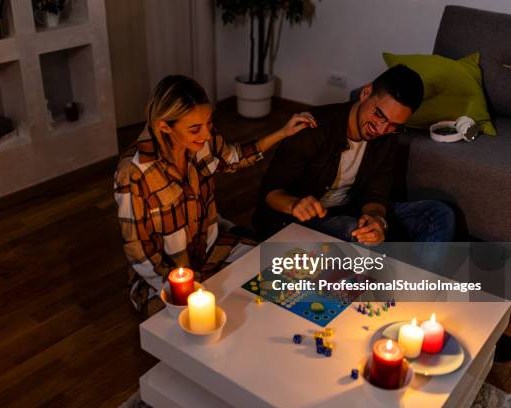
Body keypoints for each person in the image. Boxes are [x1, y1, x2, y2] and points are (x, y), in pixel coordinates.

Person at [114, 75, 316, 317]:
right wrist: (176, 289)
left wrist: (283, 132)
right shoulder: (134, 173)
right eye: (195, 128)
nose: (207, 134)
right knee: (187, 323)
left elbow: (233, 158)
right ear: (164, 126)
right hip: (165, 275)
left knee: (271, 269)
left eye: (208, 123)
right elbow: (139, 250)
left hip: (209, 251)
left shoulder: (202, 140)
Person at [254, 64, 455, 245]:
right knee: (354, 232)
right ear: (366, 93)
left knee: (437, 213)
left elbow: (376, 195)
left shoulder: (389, 136)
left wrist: (376, 220)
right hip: (296, 219)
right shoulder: (314, 127)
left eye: (394, 125)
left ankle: (421, 284)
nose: (381, 128)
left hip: (349, 210)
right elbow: (270, 193)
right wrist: (296, 205)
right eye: (379, 115)